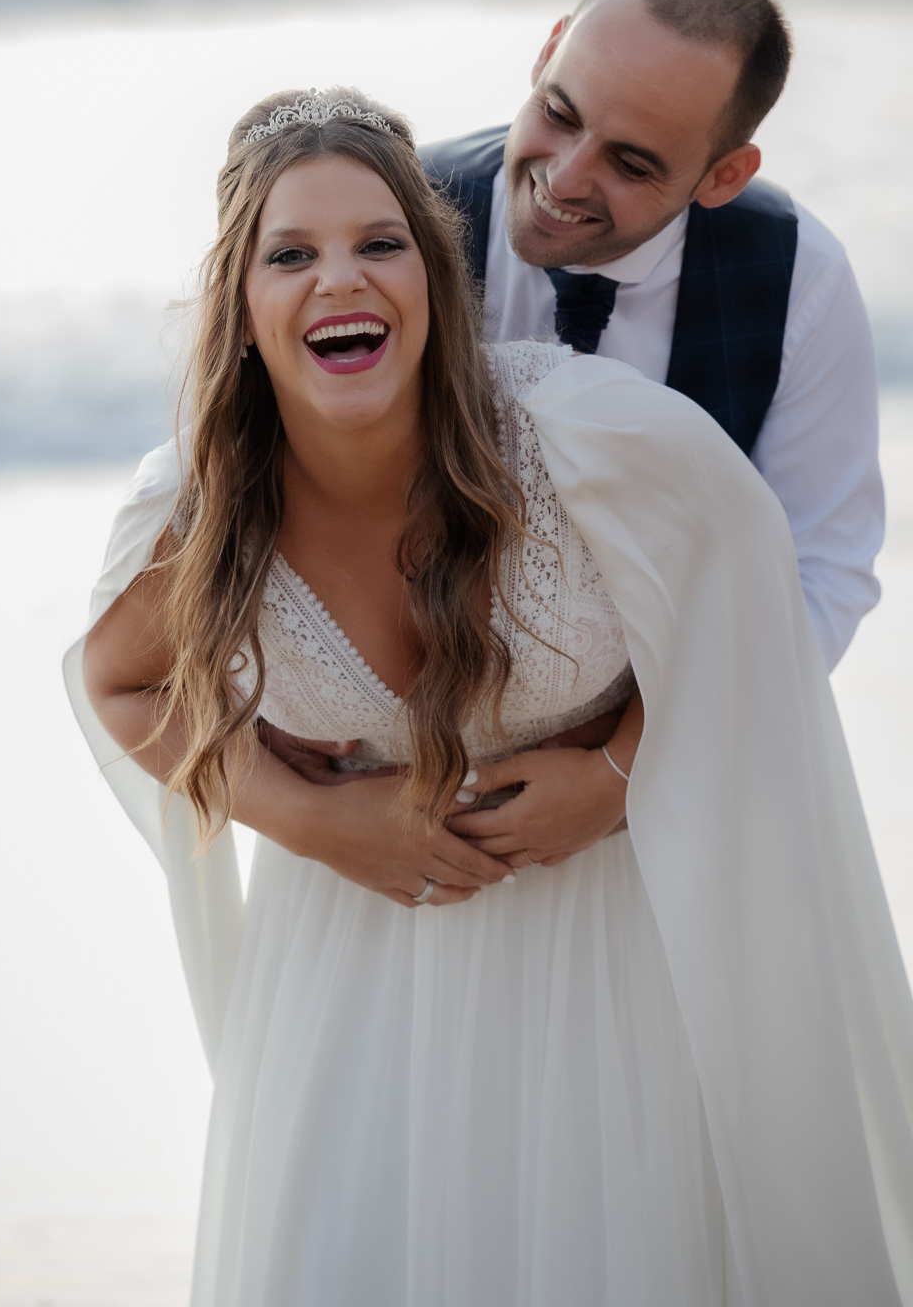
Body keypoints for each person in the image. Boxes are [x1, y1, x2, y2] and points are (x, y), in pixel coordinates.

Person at [66, 89, 913, 1307]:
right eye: (290, 254)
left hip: (613, 960)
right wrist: (315, 819)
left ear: (435, 280)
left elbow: (757, 637)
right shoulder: (198, 509)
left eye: (380, 242)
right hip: (355, 968)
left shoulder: (597, 441)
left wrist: (620, 774)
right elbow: (121, 681)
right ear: (241, 310)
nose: (339, 278)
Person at [267, 0, 884, 869]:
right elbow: (251, 488)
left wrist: (628, 777)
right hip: (387, 819)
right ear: (550, 47)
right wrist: (271, 695)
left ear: (724, 175)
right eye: (559, 113)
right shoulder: (384, 230)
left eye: (631, 163)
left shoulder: (799, 278)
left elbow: (817, 572)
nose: (564, 176)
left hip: (666, 829)